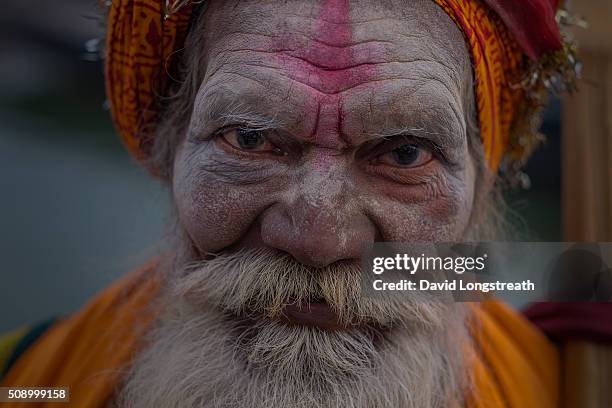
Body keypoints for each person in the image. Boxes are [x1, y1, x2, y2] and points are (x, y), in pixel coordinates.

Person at [1, 0, 599, 407]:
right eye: (251, 138)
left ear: (481, 184)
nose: (319, 238)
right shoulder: (23, 384)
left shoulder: (581, 384)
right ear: (166, 151)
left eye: (405, 154)